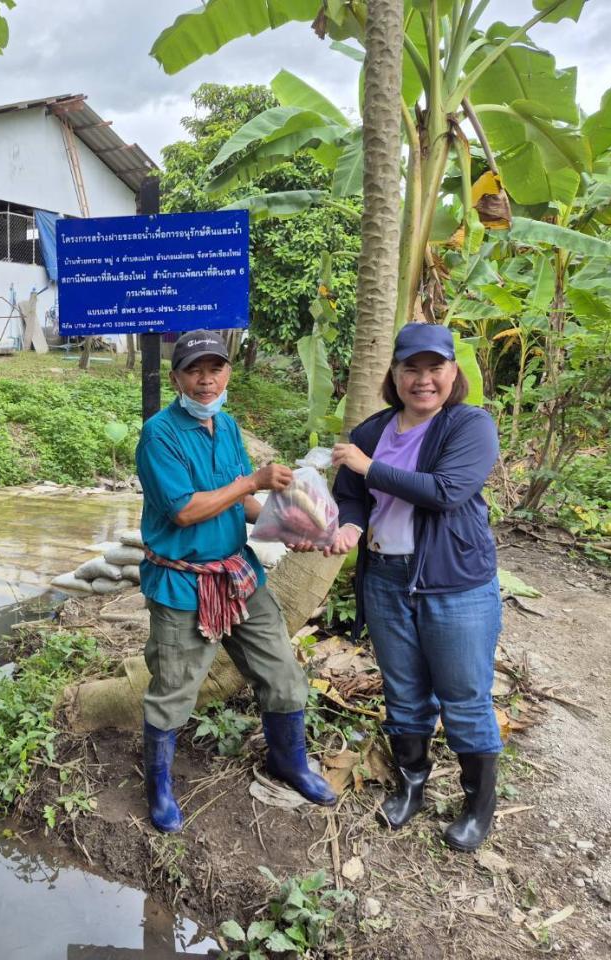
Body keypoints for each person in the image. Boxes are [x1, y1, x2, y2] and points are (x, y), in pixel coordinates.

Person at [134, 329, 336, 834]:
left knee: (282, 673)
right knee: (175, 688)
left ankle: (288, 763)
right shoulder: (158, 434)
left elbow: (241, 502)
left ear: (227, 373)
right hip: (183, 583)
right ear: (178, 377)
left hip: (238, 573)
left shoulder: (226, 427)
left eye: (216, 368)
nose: (206, 380)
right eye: (195, 370)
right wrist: (253, 481)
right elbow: (184, 512)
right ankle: (158, 786)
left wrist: (288, 524)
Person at [325, 323, 502, 852]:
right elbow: (352, 495)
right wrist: (350, 525)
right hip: (384, 576)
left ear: (453, 373)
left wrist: (369, 467)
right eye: (411, 368)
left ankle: (477, 807)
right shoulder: (371, 431)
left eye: (435, 368)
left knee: (465, 697)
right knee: (403, 691)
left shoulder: (468, 426)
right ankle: (411, 786)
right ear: (395, 374)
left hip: (455, 582)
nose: (423, 379)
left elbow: (446, 492)